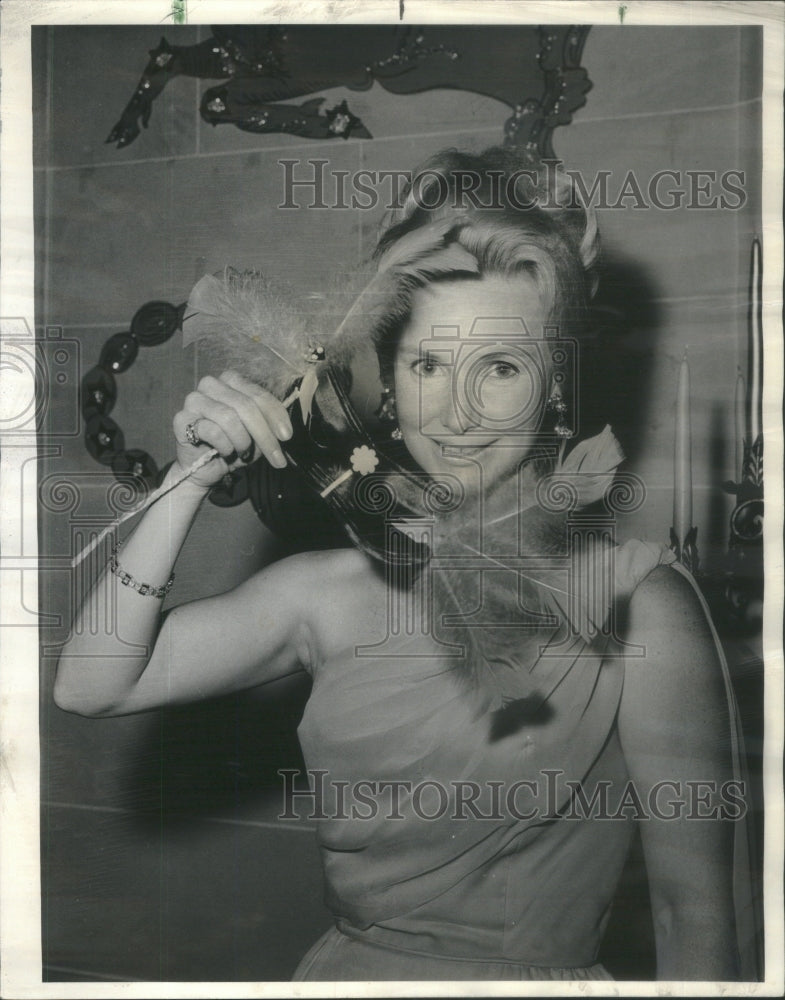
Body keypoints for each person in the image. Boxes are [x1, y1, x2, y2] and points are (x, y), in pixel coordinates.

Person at [55, 147, 757, 981]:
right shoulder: (323, 592)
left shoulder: (639, 605)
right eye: (428, 364)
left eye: (499, 367)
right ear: (389, 381)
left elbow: (695, 913)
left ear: (556, 387)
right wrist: (187, 484)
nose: (456, 414)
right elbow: (91, 686)